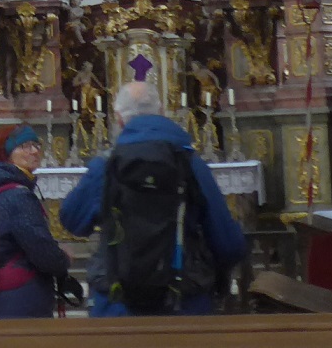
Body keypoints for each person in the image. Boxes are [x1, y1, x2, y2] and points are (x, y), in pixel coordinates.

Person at [59, 81, 245, 316]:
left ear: (119, 119)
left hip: (117, 301)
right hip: (182, 299)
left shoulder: (106, 165)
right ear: (161, 112)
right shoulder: (191, 164)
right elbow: (228, 243)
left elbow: (72, 220)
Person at [0, 124, 73, 318]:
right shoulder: (17, 196)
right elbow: (40, 249)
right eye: (25, 146)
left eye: (36, 144)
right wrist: (62, 259)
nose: (34, 151)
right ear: (6, 153)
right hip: (20, 297)